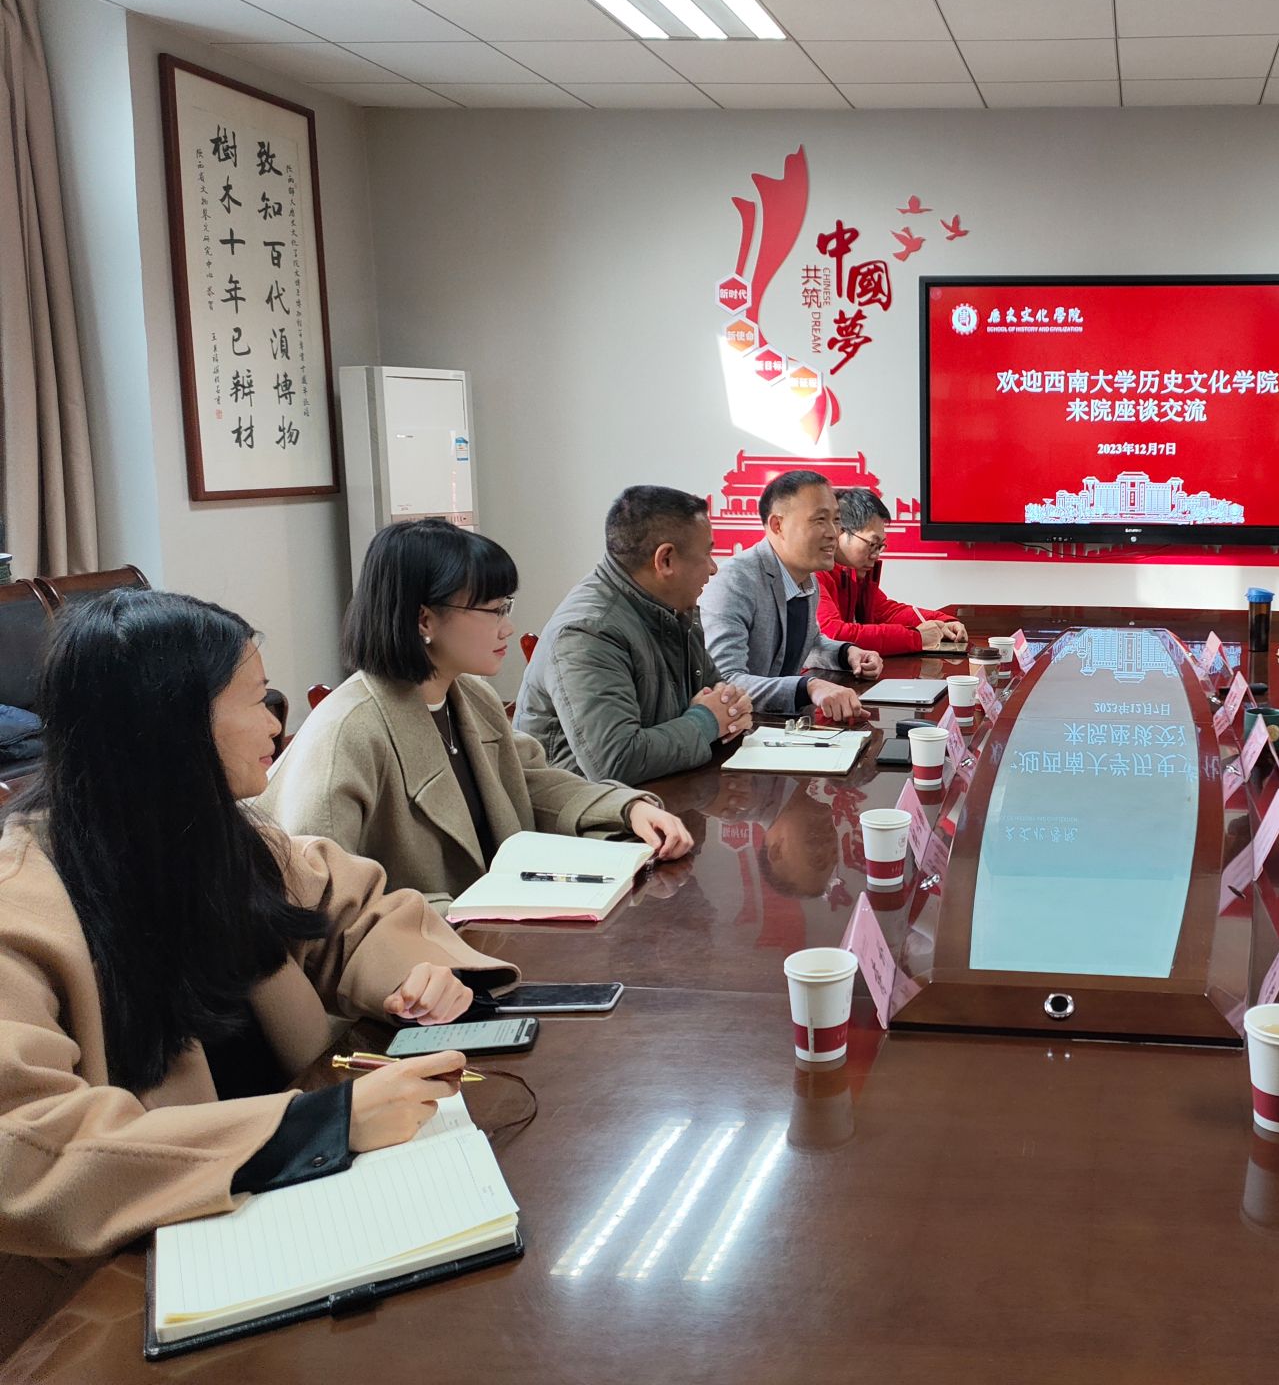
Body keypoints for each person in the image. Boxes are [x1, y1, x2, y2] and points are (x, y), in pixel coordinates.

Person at [0, 591, 518, 1350]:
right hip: (114, 1300)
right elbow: (25, 1150)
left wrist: (419, 976)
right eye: (257, 699)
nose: (279, 723)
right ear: (172, 725)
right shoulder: (23, 906)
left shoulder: (225, 842)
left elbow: (360, 912)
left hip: (276, 1223)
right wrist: (315, 1127)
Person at [259, 519, 690, 902]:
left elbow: (527, 783)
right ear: (424, 620)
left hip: (490, 931)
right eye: (494, 610)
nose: (507, 626)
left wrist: (627, 809)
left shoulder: (470, 695)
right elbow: (324, 898)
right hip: (421, 956)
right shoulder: (348, 731)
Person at [516, 486, 752, 783]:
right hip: (578, 806)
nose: (713, 568)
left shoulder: (672, 606)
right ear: (665, 560)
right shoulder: (588, 631)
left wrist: (733, 706)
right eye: (707, 553)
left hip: (661, 789)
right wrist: (706, 721)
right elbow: (616, 761)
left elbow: (717, 694)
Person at [698, 469, 882, 722]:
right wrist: (810, 687)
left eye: (836, 520)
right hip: (739, 731)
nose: (833, 533)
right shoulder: (735, 581)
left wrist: (847, 653)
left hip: (779, 726)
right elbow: (726, 682)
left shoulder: (808, 579)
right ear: (778, 525)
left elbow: (810, 644)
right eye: (820, 520)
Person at [816, 487, 965, 656]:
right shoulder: (814, 575)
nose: (876, 555)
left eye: (880, 546)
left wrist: (942, 621)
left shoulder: (855, 575)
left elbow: (886, 612)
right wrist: (917, 637)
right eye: (872, 544)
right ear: (838, 532)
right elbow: (834, 635)